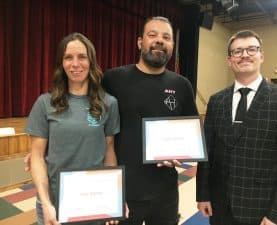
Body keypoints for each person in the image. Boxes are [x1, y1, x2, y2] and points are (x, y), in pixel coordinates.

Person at [196, 30, 277, 225]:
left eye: (251, 49)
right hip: (220, 206)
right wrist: (203, 194)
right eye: (237, 51)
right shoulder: (216, 100)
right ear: (229, 60)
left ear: (262, 56)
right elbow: (207, 152)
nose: (244, 55)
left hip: (262, 209)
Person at [102, 16, 199, 225]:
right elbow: (89, 118)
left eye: (166, 37)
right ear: (140, 42)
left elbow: (191, 135)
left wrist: (180, 153)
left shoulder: (182, 85)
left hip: (166, 193)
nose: (160, 40)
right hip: (124, 192)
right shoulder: (113, 79)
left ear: (172, 45)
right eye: (152, 35)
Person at [25, 32, 120, 225]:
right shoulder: (44, 103)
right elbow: (36, 157)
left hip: (95, 202)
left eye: (82, 57)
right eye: (68, 57)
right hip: (53, 205)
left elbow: (109, 152)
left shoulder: (109, 103)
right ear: (62, 63)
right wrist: (46, 203)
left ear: (91, 61)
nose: (75, 64)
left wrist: (113, 199)